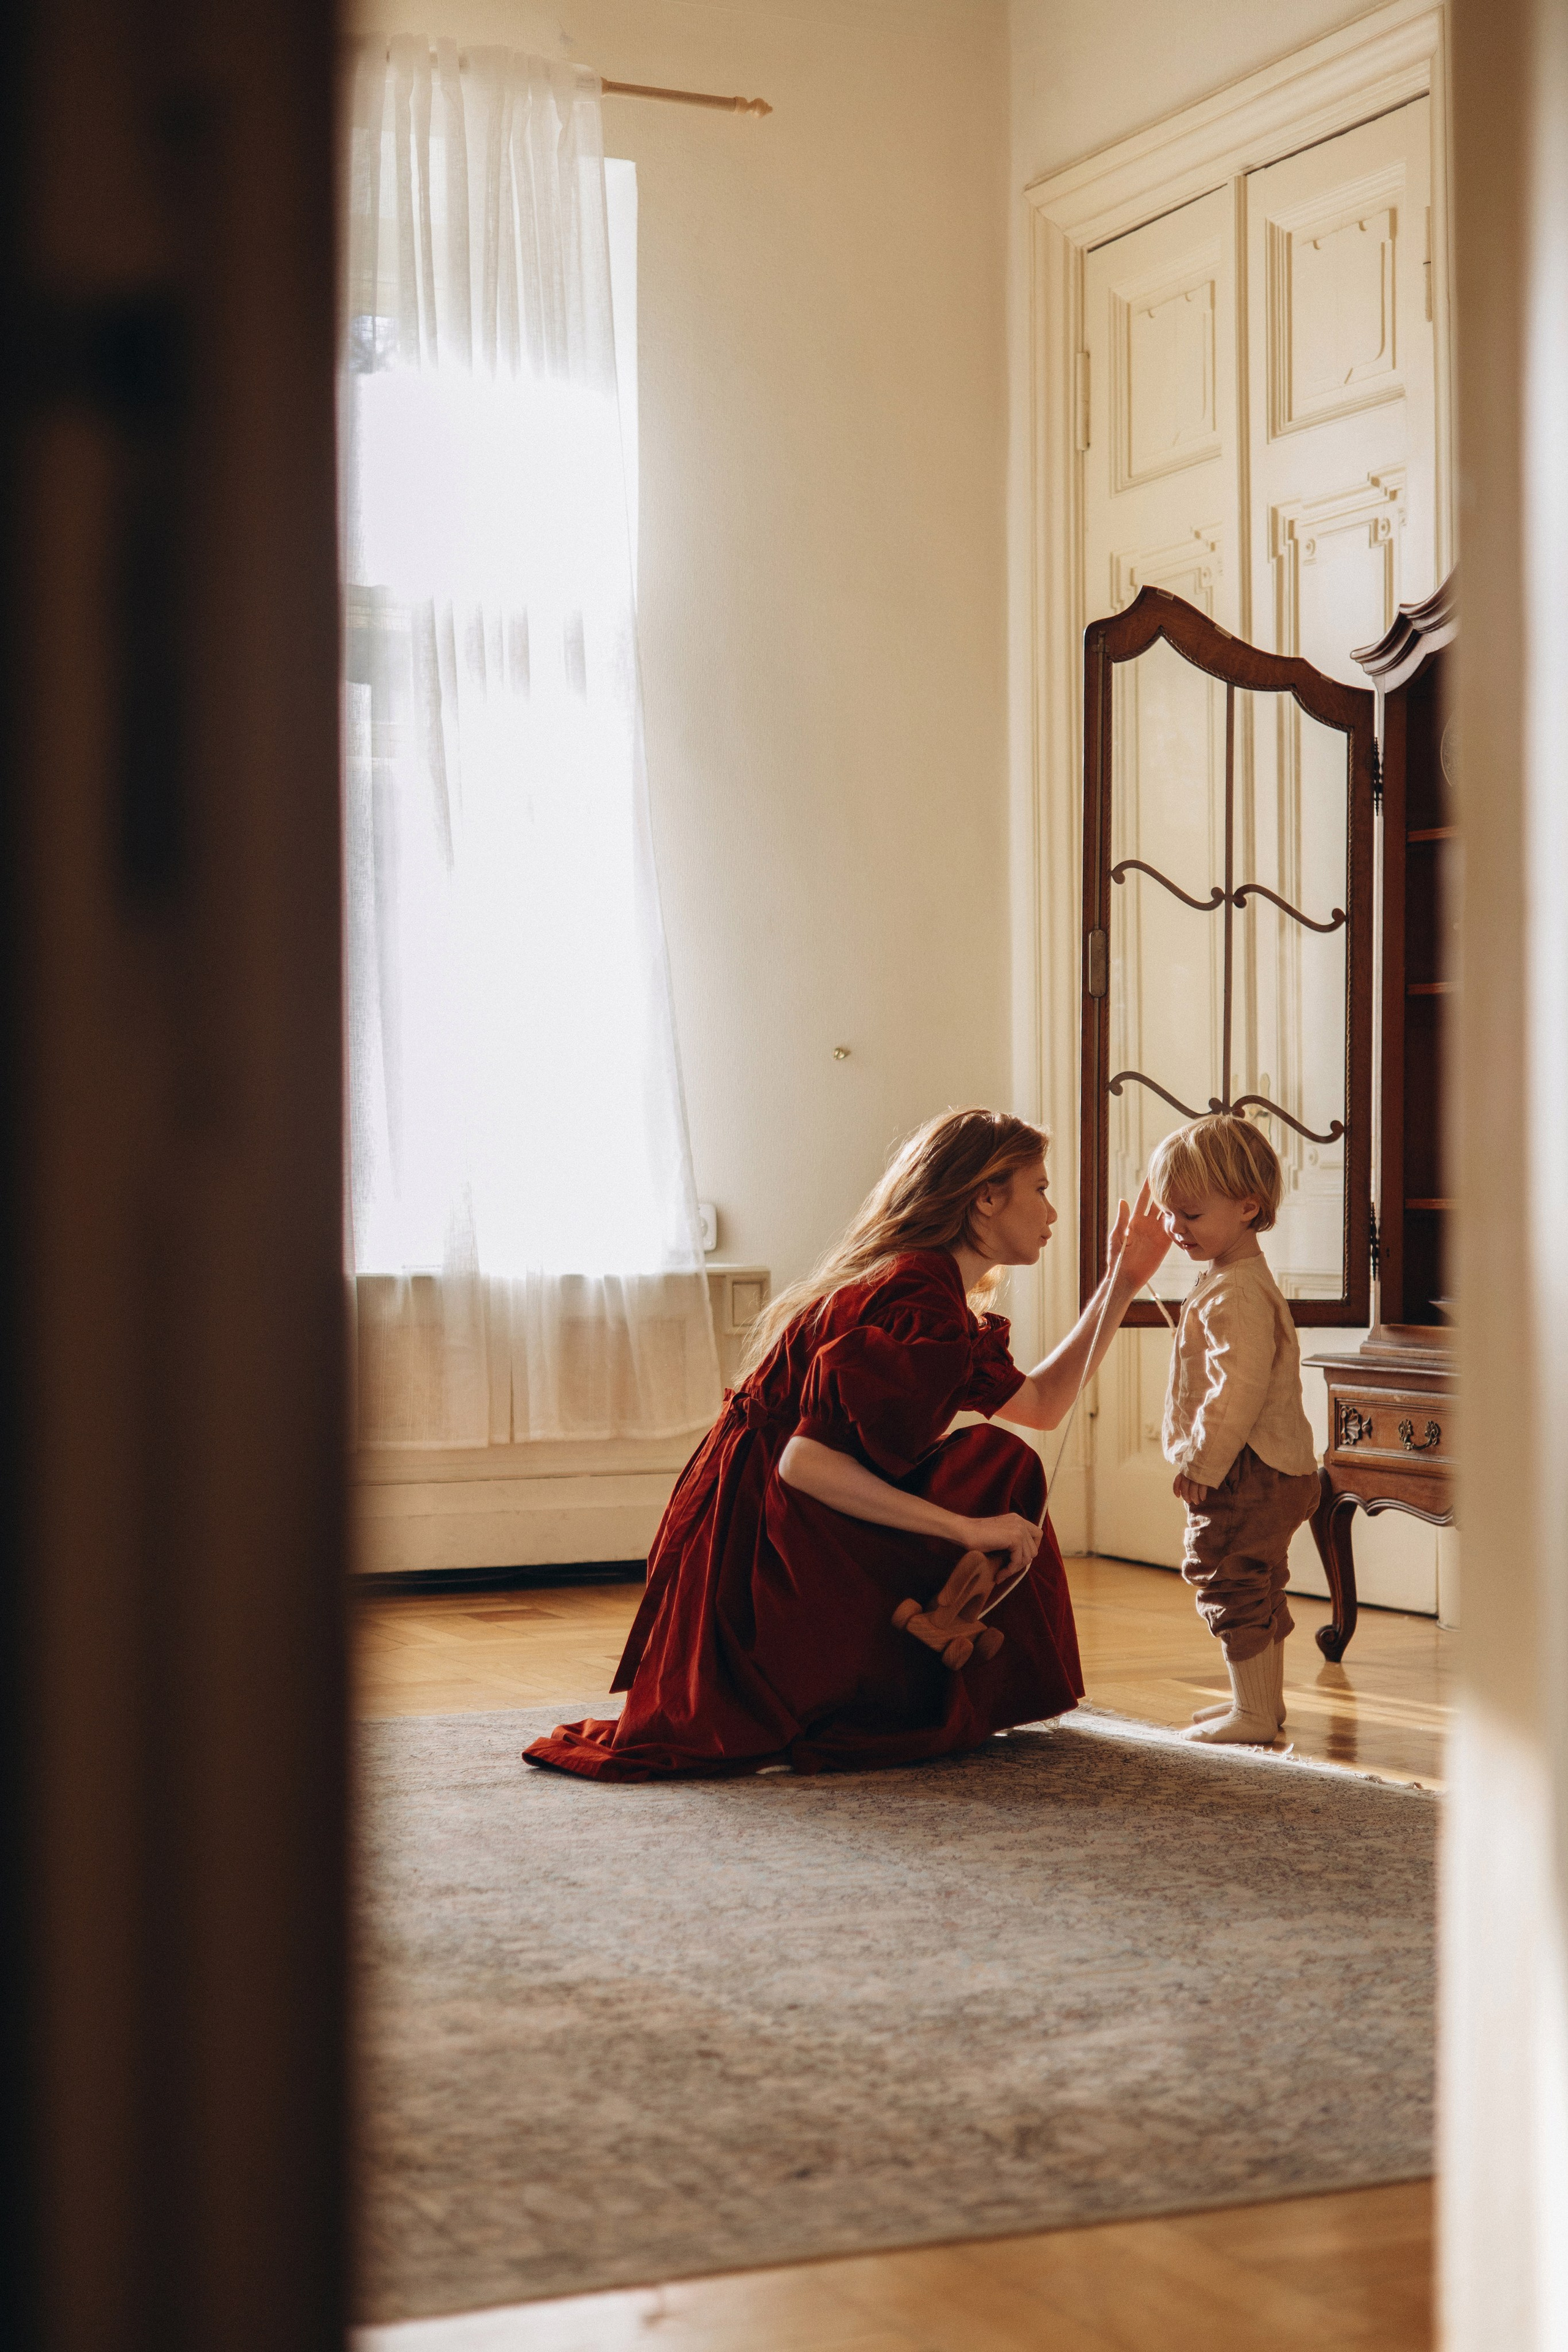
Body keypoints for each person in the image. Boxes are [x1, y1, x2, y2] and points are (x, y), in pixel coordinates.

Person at [522, 1107, 1169, 1781]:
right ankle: (868, 1688)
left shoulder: (932, 1293)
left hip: (769, 1507)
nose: (1052, 1211)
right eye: (1038, 1188)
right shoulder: (915, 1295)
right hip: (761, 1523)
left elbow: (1040, 1405)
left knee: (998, 1461)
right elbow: (803, 1463)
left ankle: (911, 1668)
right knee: (991, 1480)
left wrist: (1122, 1281)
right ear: (984, 1197)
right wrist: (965, 1528)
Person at [1148, 1114, 1321, 1746]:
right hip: (1279, 1466)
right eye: (1170, 1213)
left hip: (1246, 1467)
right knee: (1260, 1580)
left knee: (1229, 1577)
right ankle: (1260, 1705)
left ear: (1247, 1207)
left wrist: (1200, 1463)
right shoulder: (1236, 1280)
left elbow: (1235, 1390)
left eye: (1189, 1215)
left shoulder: (1234, 1294)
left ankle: (1250, 1715)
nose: (1175, 1229)